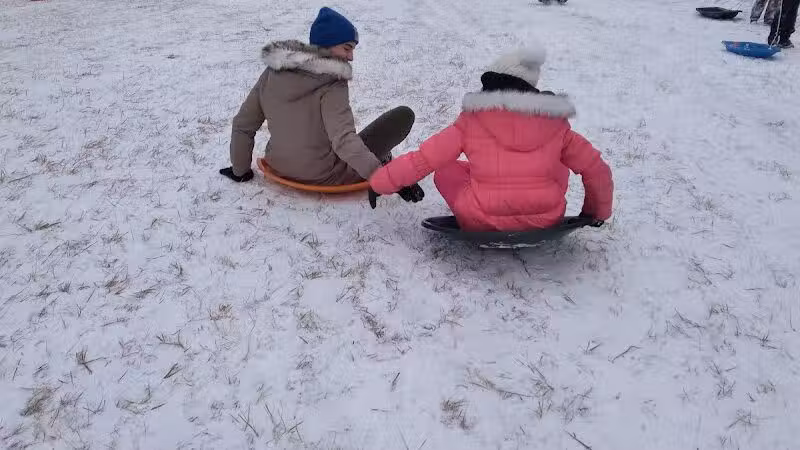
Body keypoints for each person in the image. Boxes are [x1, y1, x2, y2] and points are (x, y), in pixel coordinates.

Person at [367, 46, 613, 232]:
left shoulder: (472, 120)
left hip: (480, 218)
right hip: (545, 218)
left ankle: (488, 196)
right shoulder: (555, 123)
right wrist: (595, 212)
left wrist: (380, 183)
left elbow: (424, 160)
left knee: (445, 168)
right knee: (559, 162)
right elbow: (595, 168)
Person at [219, 7, 425, 204]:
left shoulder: (273, 72)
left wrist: (240, 171)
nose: (351, 56)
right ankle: (382, 158)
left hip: (278, 165)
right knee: (402, 116)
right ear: (328, 44)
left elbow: (243, 124)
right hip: (324, 175)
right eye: (347, 48)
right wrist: (383, 178)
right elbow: (343, 141)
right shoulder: (333, 82)